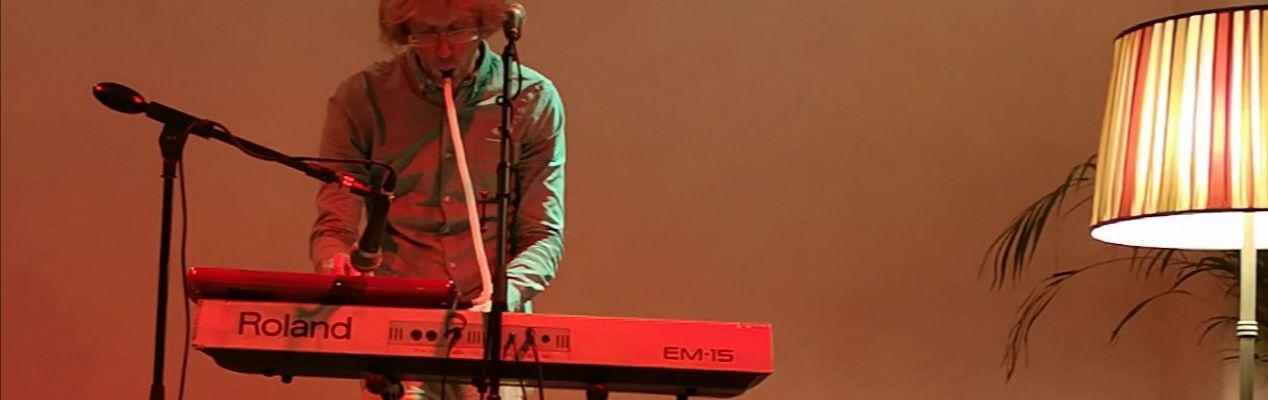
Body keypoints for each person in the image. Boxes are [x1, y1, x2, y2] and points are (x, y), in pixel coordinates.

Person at [309, 0, 565, 398]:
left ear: (484, 23)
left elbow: (542, 234)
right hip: (398, 325)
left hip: (494, 331)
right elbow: (334, 225)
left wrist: (502, 299)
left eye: (457, 30)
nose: (444, 49)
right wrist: (335, 261)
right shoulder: (364, 98)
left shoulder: (530, 98)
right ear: (404, 30)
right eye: (426, 33)